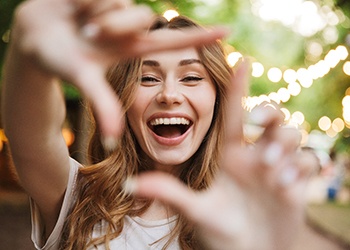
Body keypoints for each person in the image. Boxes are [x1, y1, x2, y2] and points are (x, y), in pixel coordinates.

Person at [1, 0, 317, 249]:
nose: (168, 94)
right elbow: (32, 134)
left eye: (191, 77)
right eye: (148, 78)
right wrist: (28, 59)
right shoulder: (75, 196)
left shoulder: (243, 216)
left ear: (218, 100)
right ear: (122, 98)